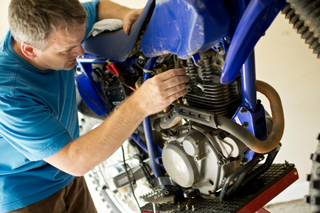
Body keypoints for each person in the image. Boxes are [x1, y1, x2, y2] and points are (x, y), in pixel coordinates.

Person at [0, 0, 189, 212]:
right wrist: (140, 104)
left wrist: (125, 13)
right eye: (68, 49)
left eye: (79, 41)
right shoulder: (8, 93)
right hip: (26, 192)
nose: (80, 51)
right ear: (29, 50)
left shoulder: (51, 27)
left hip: (66, 176)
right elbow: (75, 161)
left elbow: (95, 7)